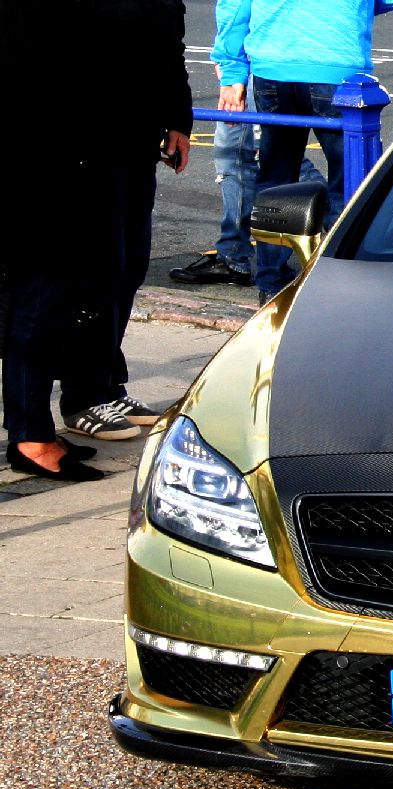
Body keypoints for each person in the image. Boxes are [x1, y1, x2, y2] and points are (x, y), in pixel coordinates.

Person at [0, 0, 191, 475]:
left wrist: (176, 118)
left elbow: (167, 45)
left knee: (119, 271)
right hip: (51, 153)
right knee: (44, 285)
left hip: (122, 148)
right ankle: (28, 435)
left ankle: (93, 392)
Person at [212, 0, 393, 303]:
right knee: (350, 184)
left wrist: (232, 72)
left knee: (276, 180)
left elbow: (235, 5)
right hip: (336, 64)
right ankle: (340, 275)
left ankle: (271, 283)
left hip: (273, 68)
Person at [170, 74, 326, 287]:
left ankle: (236, 258)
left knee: (243, 158)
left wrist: (232, 76)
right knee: (278, 160)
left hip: (253, 69)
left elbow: (234, 39)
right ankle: (343, 234)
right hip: (271, 67)